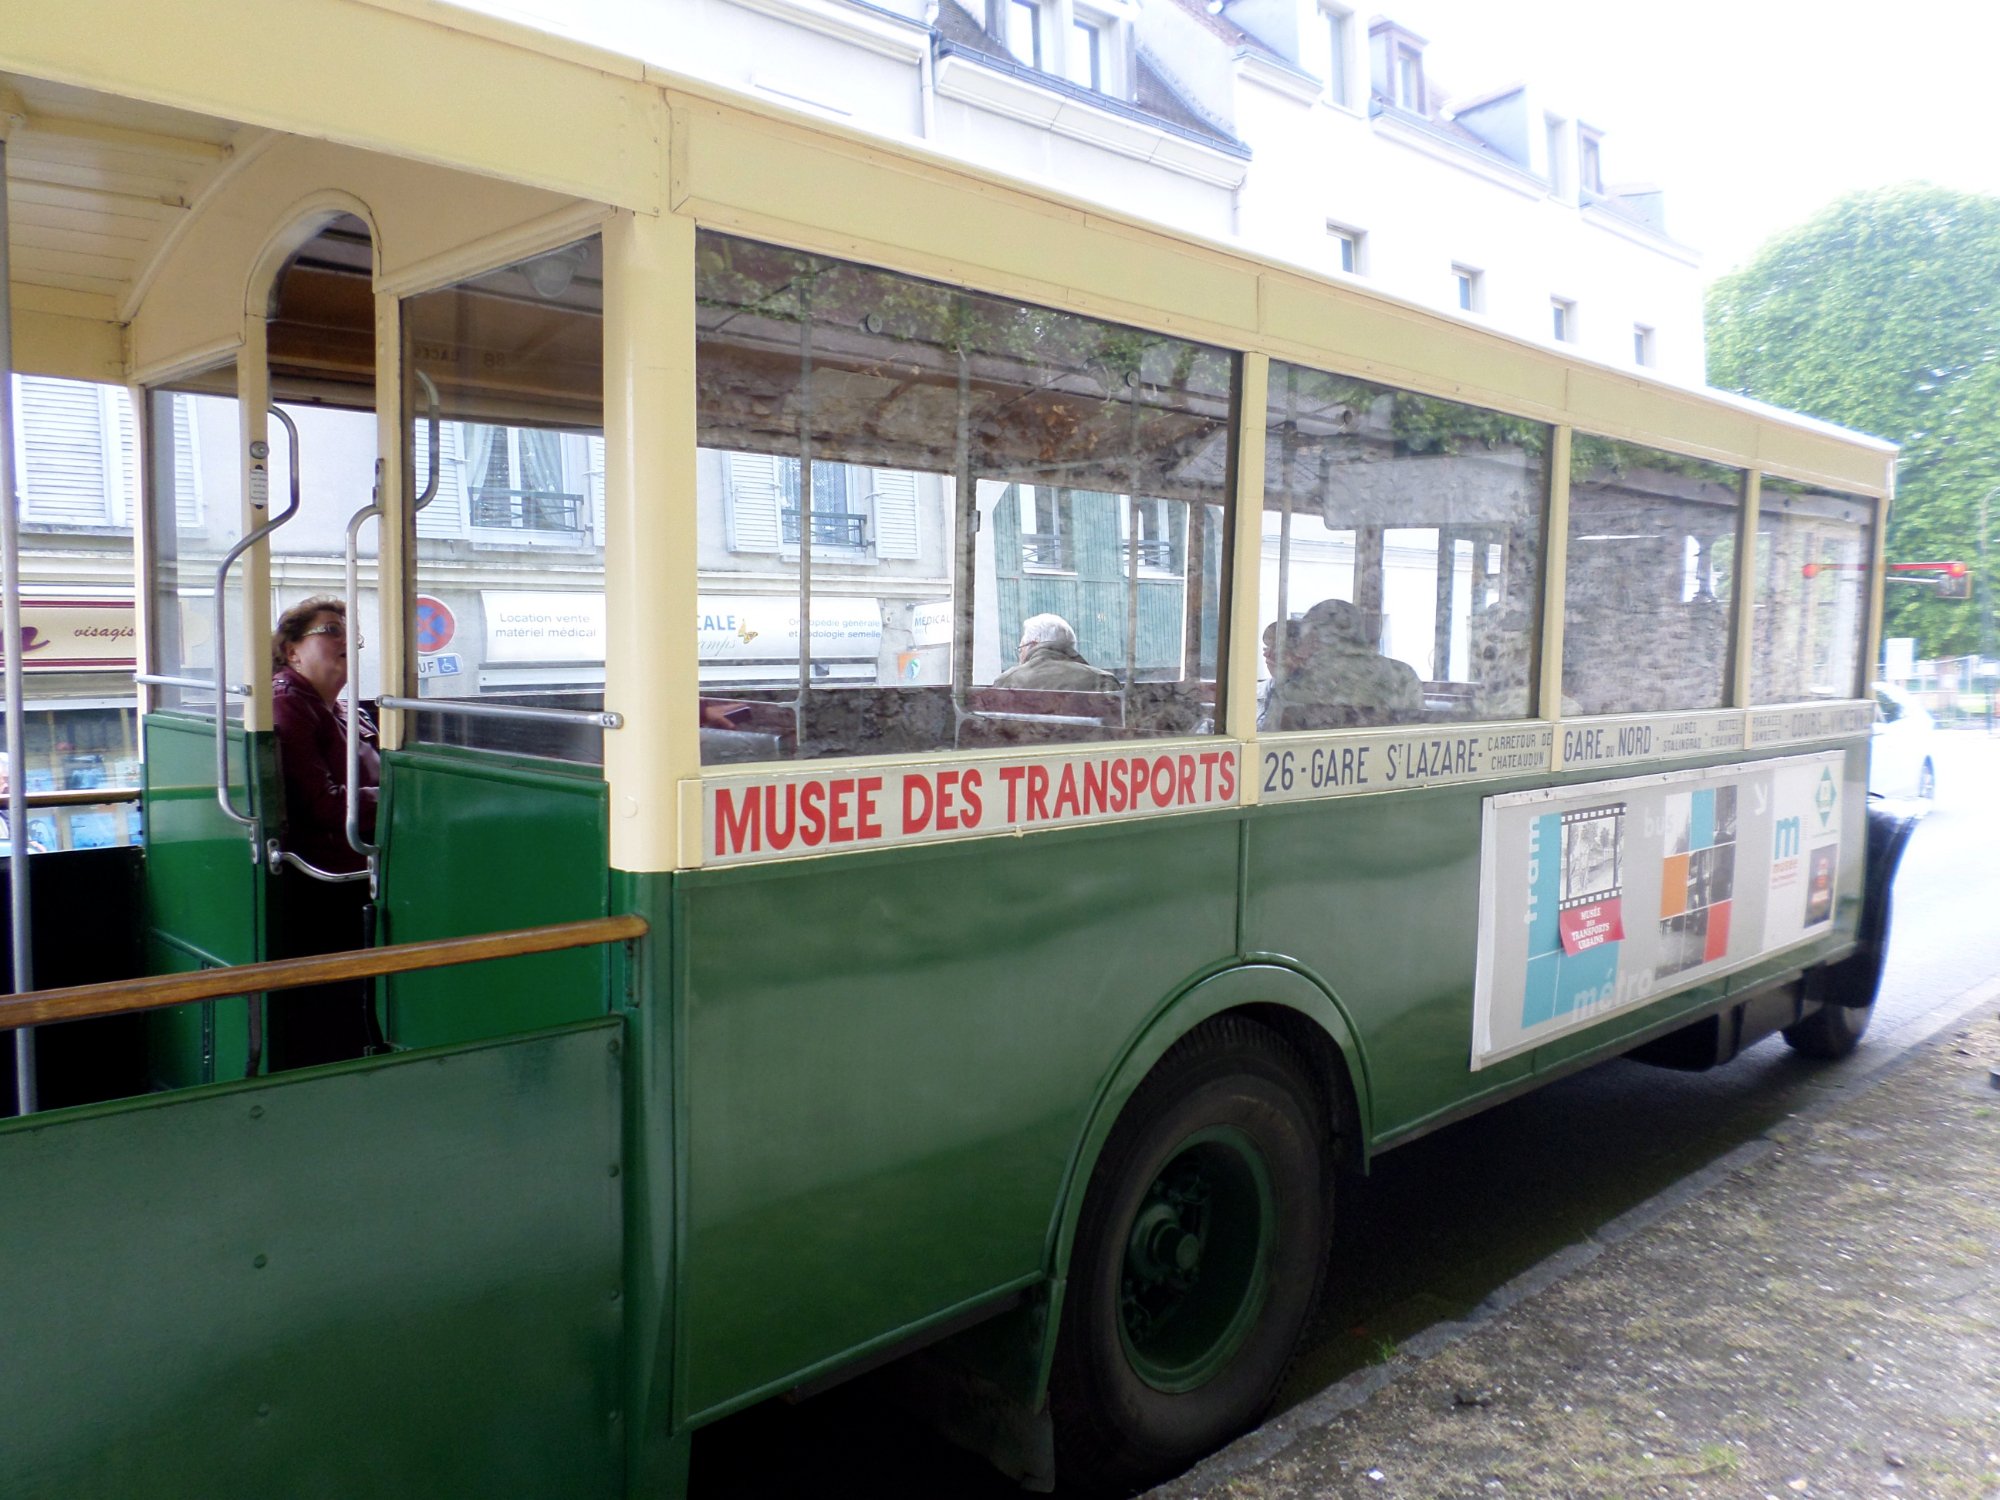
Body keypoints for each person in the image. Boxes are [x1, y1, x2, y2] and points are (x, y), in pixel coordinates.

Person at [269, 596, 382, 1069]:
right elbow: (325, 804)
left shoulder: (344, 709)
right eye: (331, 631)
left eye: (350, 636)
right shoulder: (288, 704)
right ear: (292, 650)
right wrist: (404, 803)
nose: (346, 643)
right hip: (323, 880)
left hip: (360, 867)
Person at [1268, 597, 1423, 728]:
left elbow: (1270, 737)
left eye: (1305, 637)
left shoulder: (1309, 682)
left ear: (1317, 638)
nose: (1300, 647)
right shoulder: (1402, 673)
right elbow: (1419, 726)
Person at [992, 613, 1118, 692]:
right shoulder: (1102, 681)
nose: (1020, 655)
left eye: (1021, 648)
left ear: (1033, 644)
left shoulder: (1006, 682)